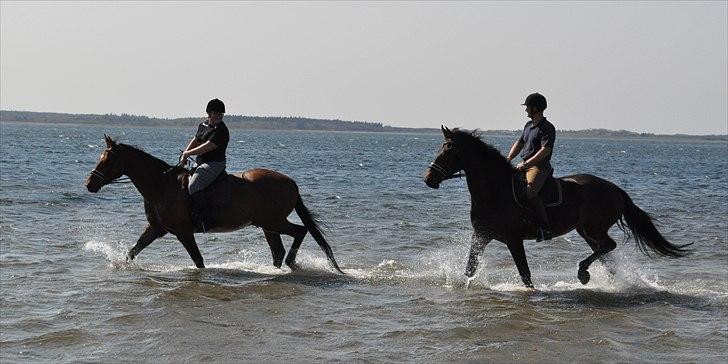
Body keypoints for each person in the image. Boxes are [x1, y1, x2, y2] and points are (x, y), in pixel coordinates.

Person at [505, 93, 556, 241]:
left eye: (527, 107)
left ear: (535, 108)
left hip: (538, 167)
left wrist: (527, 164)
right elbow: (519, 143)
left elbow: (545, 150)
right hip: (524, 165)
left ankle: (545, 228)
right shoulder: (528, 125)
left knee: (530, 193)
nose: (525, 110)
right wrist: (508, 159)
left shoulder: (547, 127)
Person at [180, 98, 230, 228]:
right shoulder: (203, 125)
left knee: (194, 186)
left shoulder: (221, 130)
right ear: (209, 113)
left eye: (221, 114)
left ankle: (207, 220)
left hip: (214, 163)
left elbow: (207, 146)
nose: (219, 116)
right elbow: (196, 140)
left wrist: (189, 154)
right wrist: (185, 152)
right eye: (216, 113)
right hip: (201, 162)